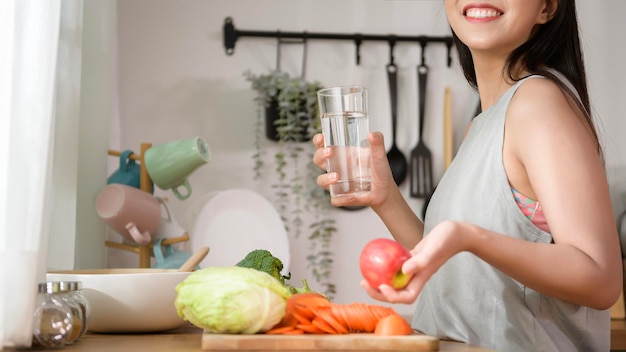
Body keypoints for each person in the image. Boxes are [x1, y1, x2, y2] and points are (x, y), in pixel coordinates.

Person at [312, 0, 622, 350]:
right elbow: (458, 272)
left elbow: (601, 279)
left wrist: (470, 237)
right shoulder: (480, 125)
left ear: (547, 8)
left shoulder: (538, 102)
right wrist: (385, 198)